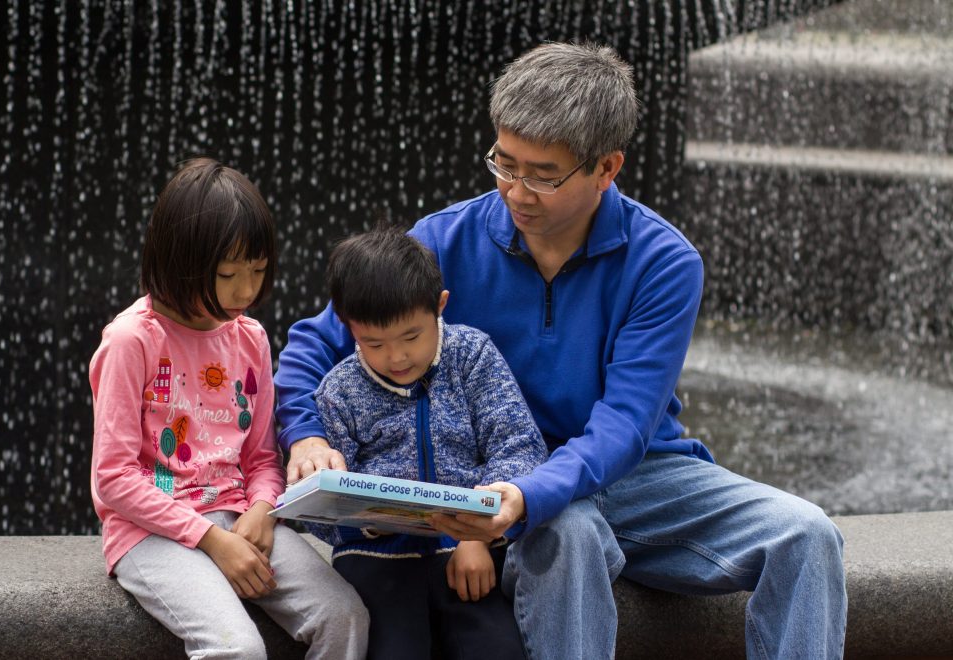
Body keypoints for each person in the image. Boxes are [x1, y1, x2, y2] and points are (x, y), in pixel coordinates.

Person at [275, 42, 848, 659]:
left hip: (637, 474)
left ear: (607, 167)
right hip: (499, 476)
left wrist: (530, 495)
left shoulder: (665, 262)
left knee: (808, 535)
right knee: (567, 535)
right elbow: (316, 342)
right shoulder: (444, 240)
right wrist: (306, 435)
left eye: (543, 175)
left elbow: (627, 423)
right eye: (505, 163)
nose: (517, 191)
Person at [89, 157, 369, 660]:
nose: (246, 291)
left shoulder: (250, 338)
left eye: (258, 272)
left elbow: (261, 457)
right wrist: (210, 540)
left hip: (240, 516)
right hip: (150, 532)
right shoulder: (132, 341)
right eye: (228, 274)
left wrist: (263, 509)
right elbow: (113, 477)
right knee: (236, 648)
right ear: (183, 261)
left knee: (344, 617)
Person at [305, 227, 547, 659]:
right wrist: (366, 519)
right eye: (374, 343)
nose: (396, 358)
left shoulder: (472, 357)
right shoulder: (338, 390)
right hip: (374, 558)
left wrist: (477, 534)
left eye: (411, 337)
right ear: (349, 327)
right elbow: (318, 515)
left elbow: (518, 446)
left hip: (468, 551)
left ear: (440, 305)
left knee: (498, 649)